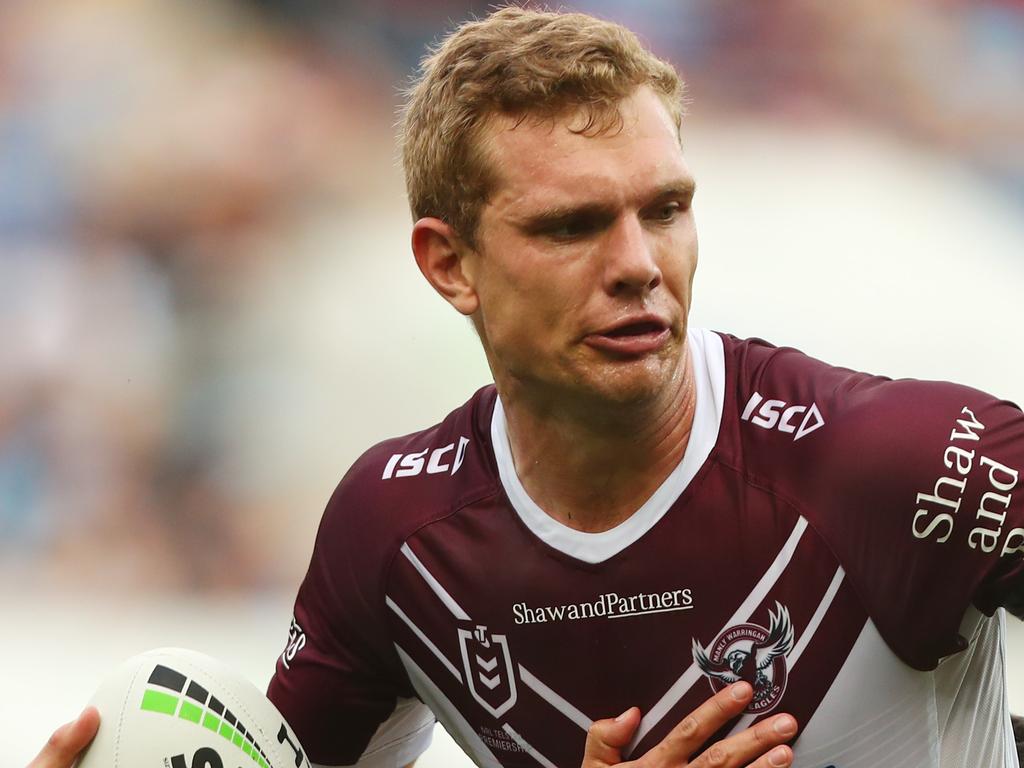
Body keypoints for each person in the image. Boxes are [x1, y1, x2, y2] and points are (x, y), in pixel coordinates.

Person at [30, 6, 1023, 768]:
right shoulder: (395, 536)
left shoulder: (898, 463)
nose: (639, 263)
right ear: (448, 264)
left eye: (665, 209)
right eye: (571, 226)